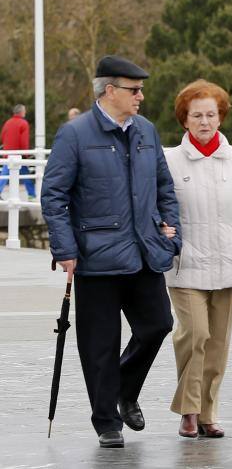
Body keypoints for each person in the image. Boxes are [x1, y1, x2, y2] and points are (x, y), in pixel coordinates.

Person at [41, 55, 180, 448]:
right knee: (99, 344)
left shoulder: (147, 132)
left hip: (143, 253)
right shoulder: (75, 134)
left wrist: (172, 235)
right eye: (134, 90)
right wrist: (65, 248)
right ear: (110, 91)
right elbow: (53, 194)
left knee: (157, 325)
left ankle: (124, 390)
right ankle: (106, 421)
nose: (141, 96)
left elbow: (165, 188)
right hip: (96, 258)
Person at [164, 80, 232, 438]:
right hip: (185, 266)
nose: (204, 121)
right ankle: (188, 410)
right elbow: (157, 209)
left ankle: (208, 411)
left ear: (220, 117)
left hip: (229, 266)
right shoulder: (169, 161)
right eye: (197, 115)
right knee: (195, 334)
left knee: (219, 343)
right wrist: (165, 236)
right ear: (185, 119)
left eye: (211, 114)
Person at [0, 104, 37, 200]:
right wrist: (26, 154)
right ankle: (32, 195)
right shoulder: (23, 123)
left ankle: (32, 194)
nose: (25, 112)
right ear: (21, 112)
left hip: (7, 154)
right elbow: (24, 141)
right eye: (24, 110)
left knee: (4, 175)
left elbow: (2, 137)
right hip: (19, 155)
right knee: (26, 175)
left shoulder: (7, 122)